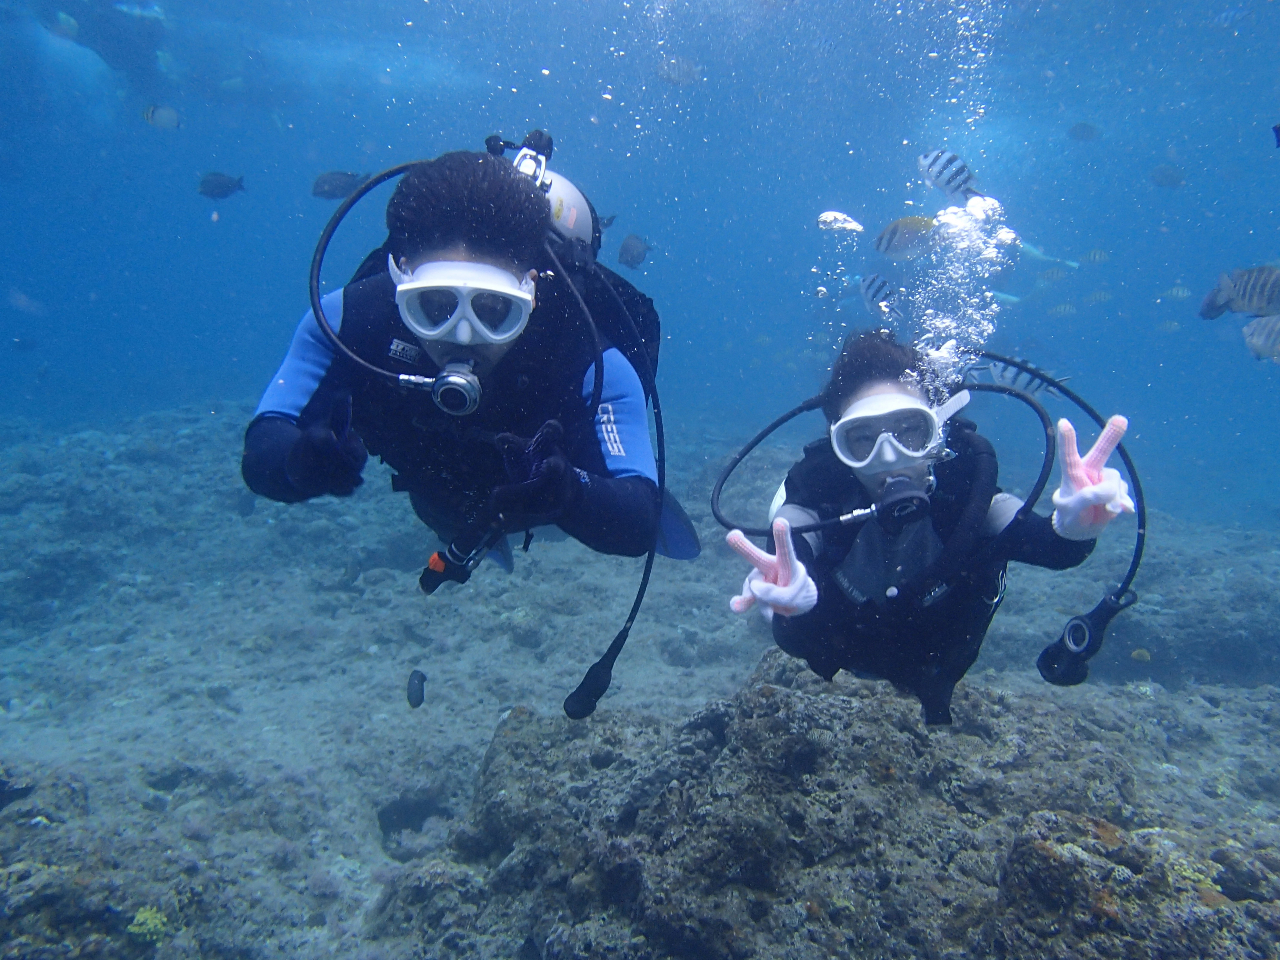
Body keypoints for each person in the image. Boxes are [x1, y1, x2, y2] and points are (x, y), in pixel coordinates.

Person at [242, 144, 692, 588]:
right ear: (400, 278)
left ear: (531, 292)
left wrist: (570, 493)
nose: (462, 336)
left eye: (494, 310)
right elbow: (264, 447)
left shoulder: (582, 349)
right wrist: (297, 465)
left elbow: (638, 518)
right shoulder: (350, 320)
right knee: (439, 512)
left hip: (536, 494)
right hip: (436, 494)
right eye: (434, 307)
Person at [726, 330, 1134, 725]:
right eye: (862, 439)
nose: (889, 456)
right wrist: (790, 603)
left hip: (940, 657)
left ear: (938, 430)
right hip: (843, 649)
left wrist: (1076, 529)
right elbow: (794, 555)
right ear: (837, 444)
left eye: (910, 431)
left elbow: (1051, 547)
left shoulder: (967, 485)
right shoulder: (819, 488)